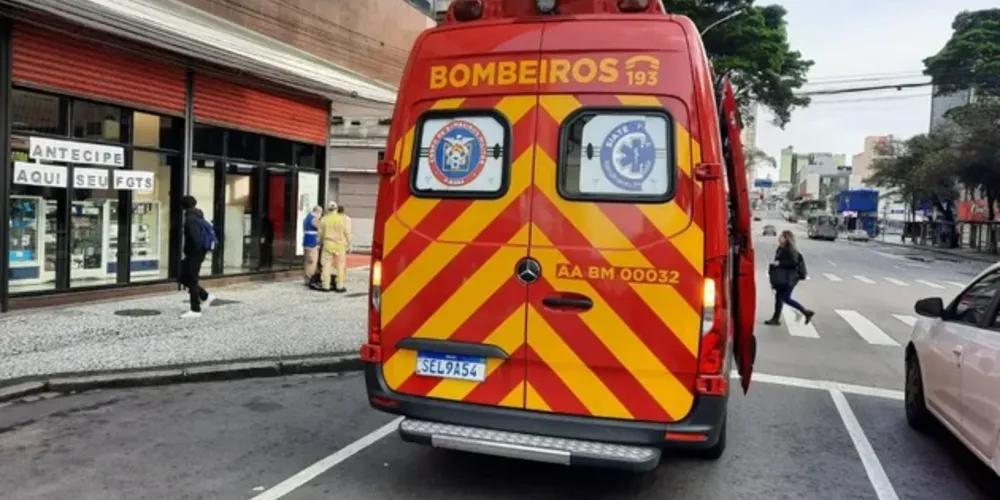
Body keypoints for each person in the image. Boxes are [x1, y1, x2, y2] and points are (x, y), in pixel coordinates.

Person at [765, 230, 814, 326]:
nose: (779, 238)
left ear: (786, 239)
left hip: (790, 279)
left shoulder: (790, 250)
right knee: (779, 297)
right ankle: (776, 319)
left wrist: (780, 263)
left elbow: (794, 263)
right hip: (783, 278)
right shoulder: (781, 248)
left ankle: (806, 312)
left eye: (781, 237)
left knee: (785, 298)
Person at [179, 195, 215, 318]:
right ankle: (205, 296)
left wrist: (193, 254)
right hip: (196, 254)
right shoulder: (198, 216)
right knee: (183, 277)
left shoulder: (190, 219)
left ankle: (195, 310)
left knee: (192, 280)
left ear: (183, 206)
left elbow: (195, 238)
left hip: (194, 254)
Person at [317, 201, 350, 292]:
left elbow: (320, 233)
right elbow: (347, 232)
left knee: (326, 266)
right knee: (340, 266)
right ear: (336, 209)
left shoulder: (324, 219)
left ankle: (326, 285)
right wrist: (349, 243)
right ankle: (339, 285)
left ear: (328, 209)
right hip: (340, 246)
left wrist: (319, 242)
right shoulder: (342, 219)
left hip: (328, 245)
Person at [302, 205, 322, 283]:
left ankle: (306, 279)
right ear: (318, 212)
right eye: (321, 213)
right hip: (312, 242)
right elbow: (321, 228)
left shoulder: (306, 218)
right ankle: (310, 279)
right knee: (312, 262)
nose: (321, 215)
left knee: (307, 261)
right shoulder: (314, 219)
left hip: (306, 241)